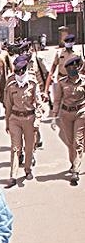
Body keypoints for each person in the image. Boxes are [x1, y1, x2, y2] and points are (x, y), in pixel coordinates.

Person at [4, 56, 44, 188]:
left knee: (29, 147)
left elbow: (39, 104)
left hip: (29, 119)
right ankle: (13, 175)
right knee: (15, 148)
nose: (20, 74)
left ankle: (27, 169)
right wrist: (7, 123)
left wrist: (37, 121)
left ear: (26, 70)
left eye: (22, 71)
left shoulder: (32, 84)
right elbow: (8, 106)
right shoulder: (11, 86)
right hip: (15, 119)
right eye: (17, 72)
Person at [49, 56, 85, 186]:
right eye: (70, 68)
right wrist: (54, 117)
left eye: (75, 67)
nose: (72, 69)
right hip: (66, 114)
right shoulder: (62, 82)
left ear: (78, 67)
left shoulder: (83, 81)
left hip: (81, 113)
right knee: (70, 142)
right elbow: (57, 100)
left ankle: (76, 170)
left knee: (78, 141)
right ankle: (73, 163)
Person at [44, 34, 81, 103]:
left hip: (73, 81)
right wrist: (46, 91)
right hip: (61, 80)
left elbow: (82, 68)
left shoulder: (77, 54)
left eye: (70, 42)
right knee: (58, 101)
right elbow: (51, 71)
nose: (68, 44)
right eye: (67, 42)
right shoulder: (59, 53)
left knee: (73, 101)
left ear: (73, 42)